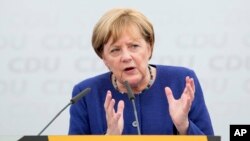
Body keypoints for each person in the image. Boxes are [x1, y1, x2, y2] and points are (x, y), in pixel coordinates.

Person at [68, 8, 214, 135]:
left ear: (149, 48)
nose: (126, 57)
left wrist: (184, 126)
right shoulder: (85, 94)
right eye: (115, 50)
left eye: (134, 46)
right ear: (104, 59)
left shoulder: (181, 81)